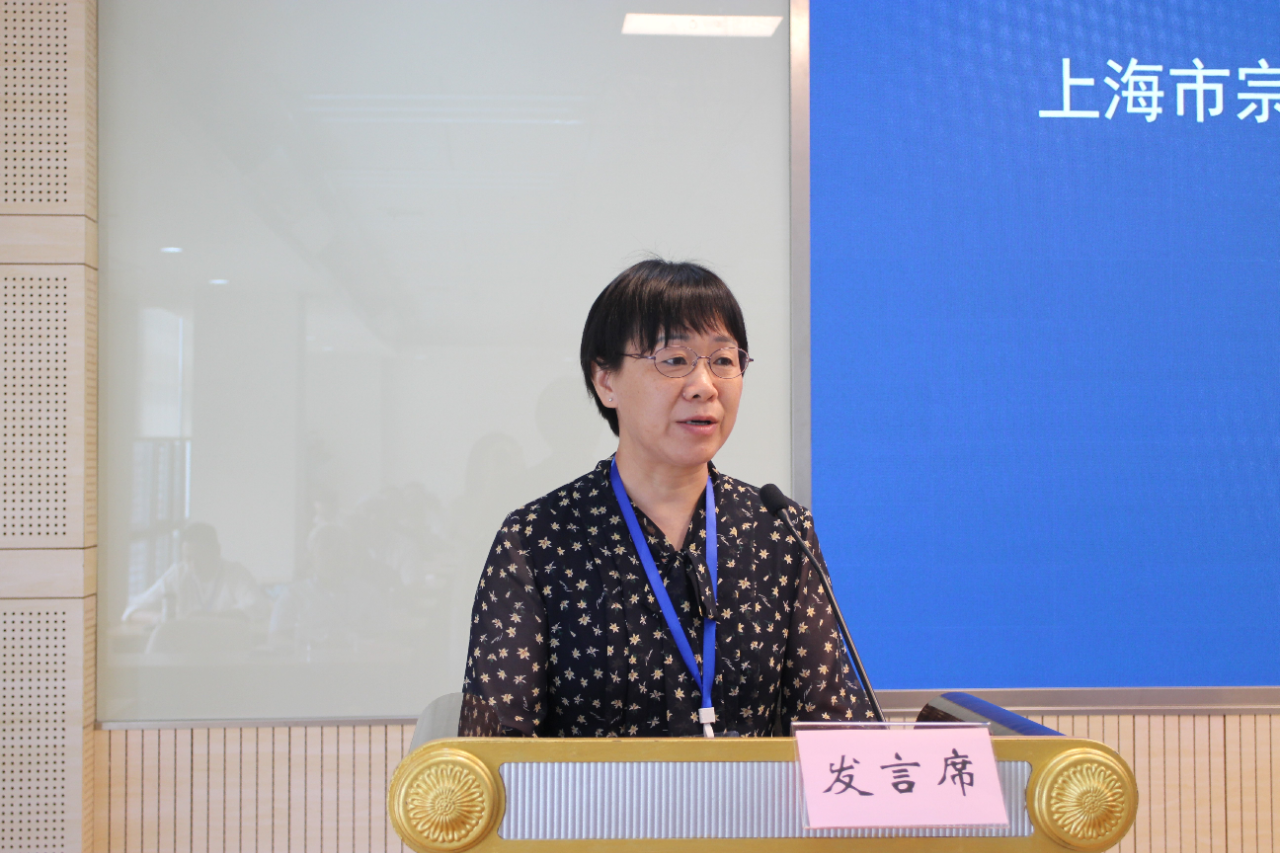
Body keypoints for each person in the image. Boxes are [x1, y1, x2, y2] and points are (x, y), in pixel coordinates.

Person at [459, 259, 869, 737]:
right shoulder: (536, 540)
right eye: (674, 360)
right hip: (595, 792)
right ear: (606, 380)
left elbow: (835, 727)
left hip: (749, 791)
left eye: (723, 360)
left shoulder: (779, 531)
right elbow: (495, 749)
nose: (704, 386)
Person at [123, 523, 269, 625]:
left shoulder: (235, 573)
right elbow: (132, 610)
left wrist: (212, 618)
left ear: (217, 551)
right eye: (188, 558)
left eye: (200, 557)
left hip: (227, 647)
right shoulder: (178, 574)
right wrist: (161, 618)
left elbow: (258, 607)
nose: (193, 565)